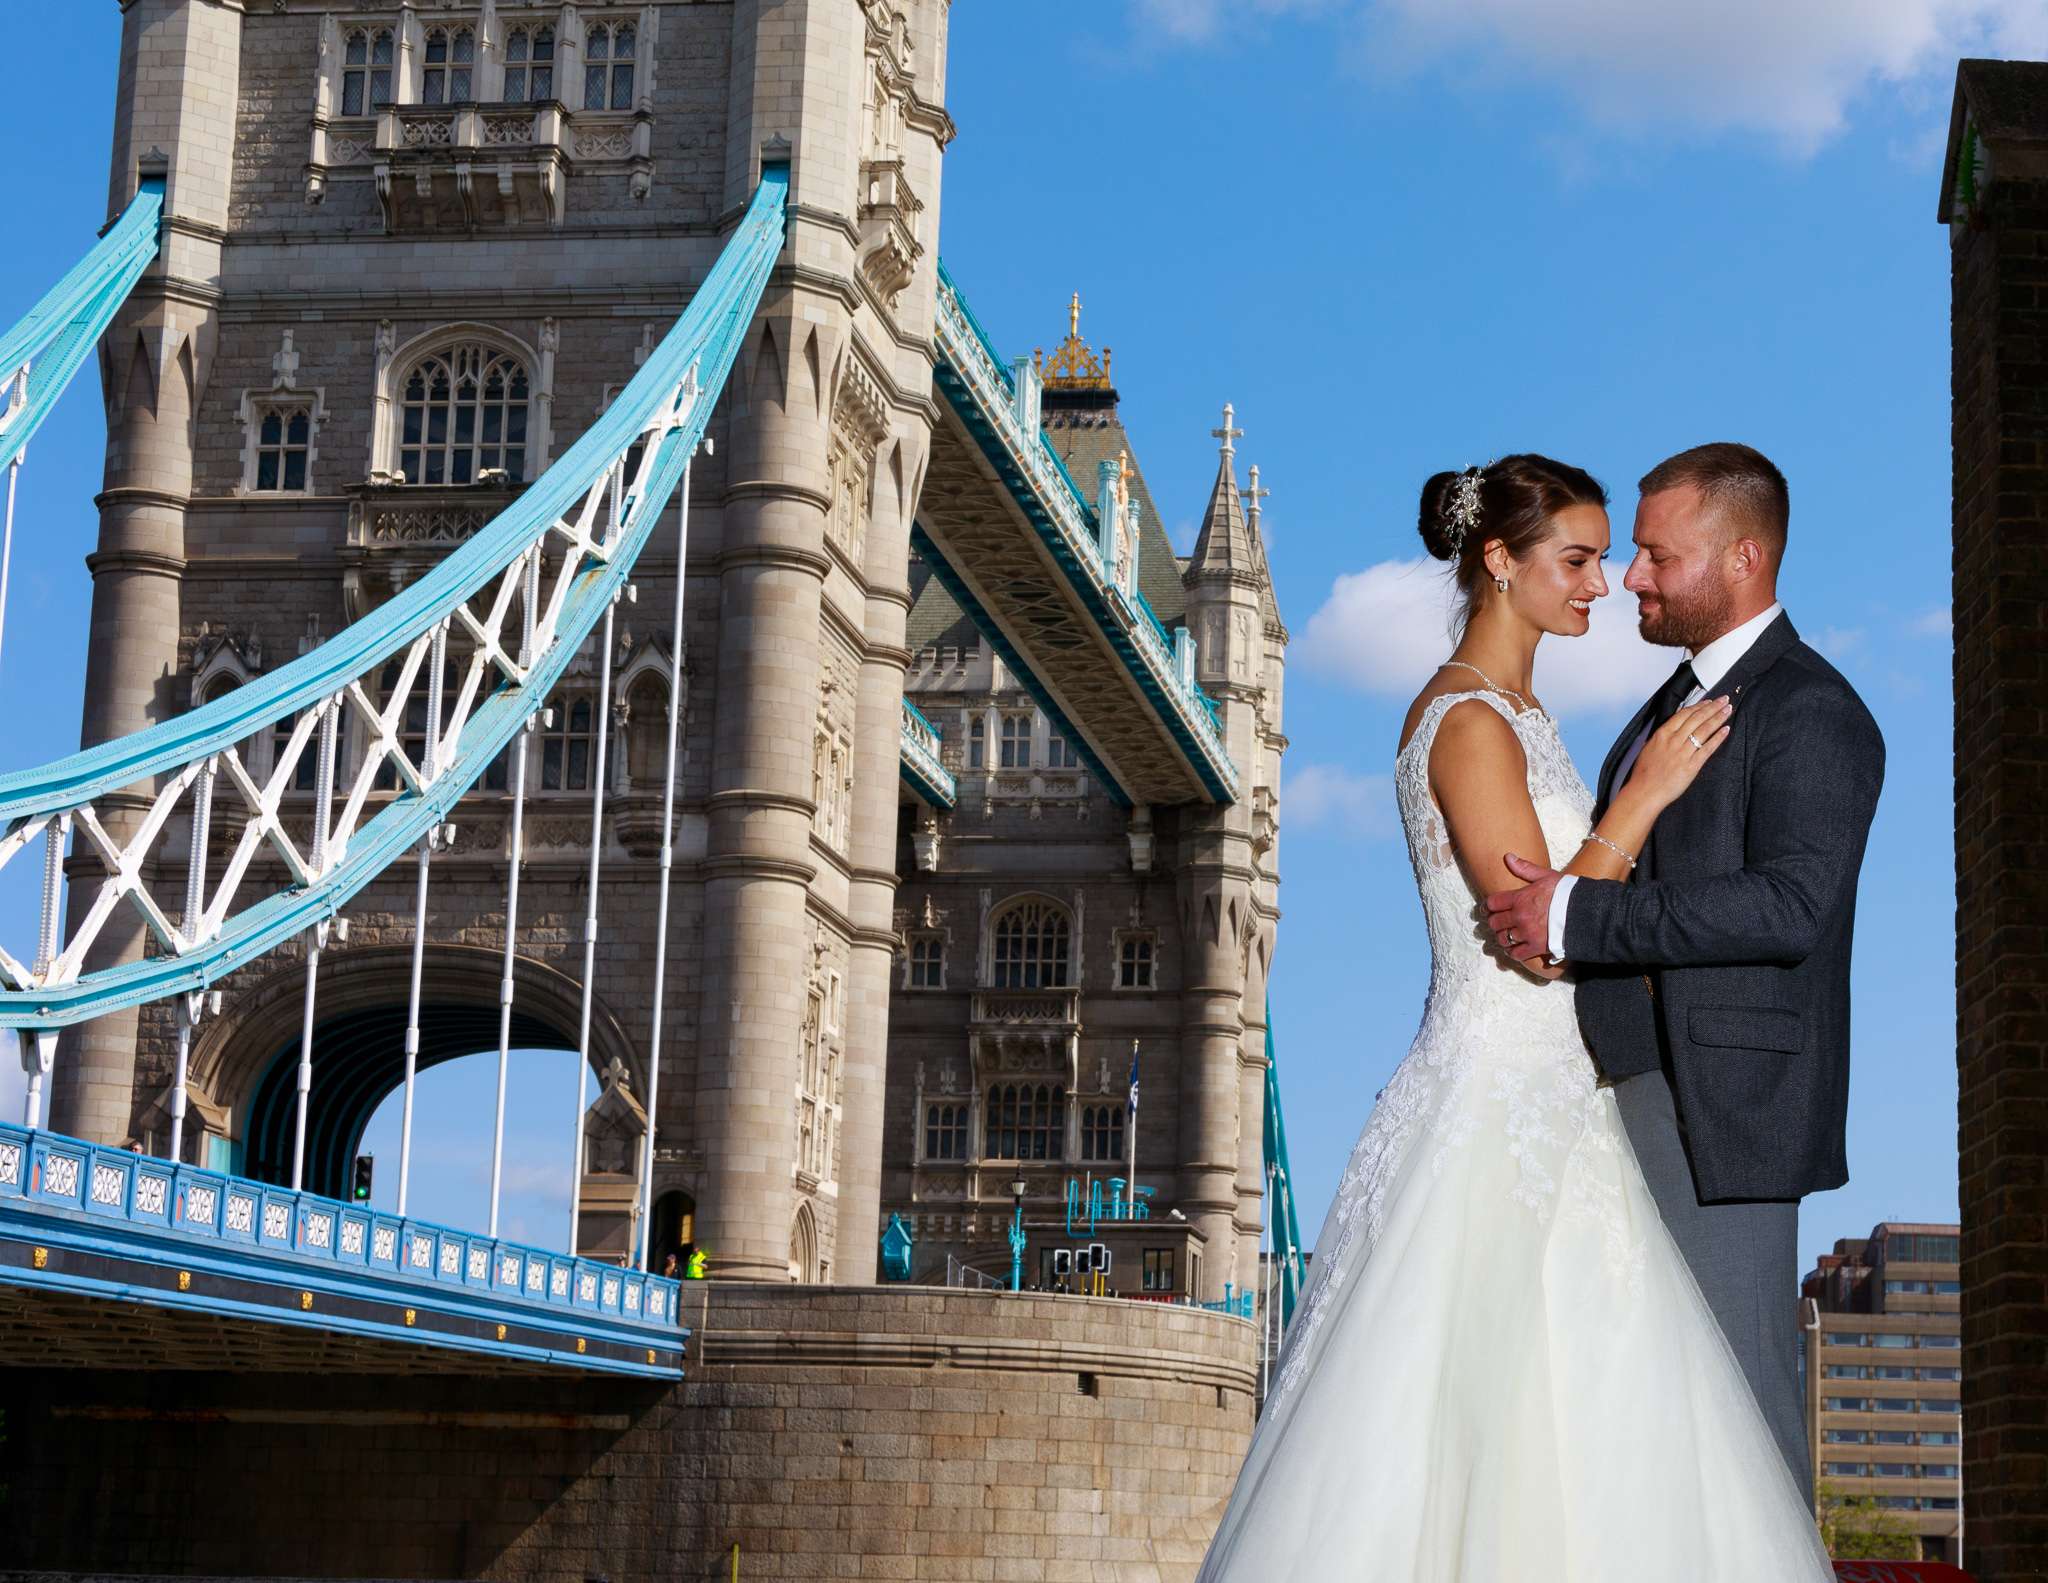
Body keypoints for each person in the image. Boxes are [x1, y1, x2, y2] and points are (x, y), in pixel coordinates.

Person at [1197, 450, 1860, 1581]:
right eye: (1580, 558)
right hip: (1501, 1085)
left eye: (1616, 558)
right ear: (1497, 563)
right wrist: (1643, 796)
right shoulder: (1466, 724)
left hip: (1570, 1096)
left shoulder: (1534, 717)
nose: (1603, 584)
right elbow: (1530, 931)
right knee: (1482, 1411)